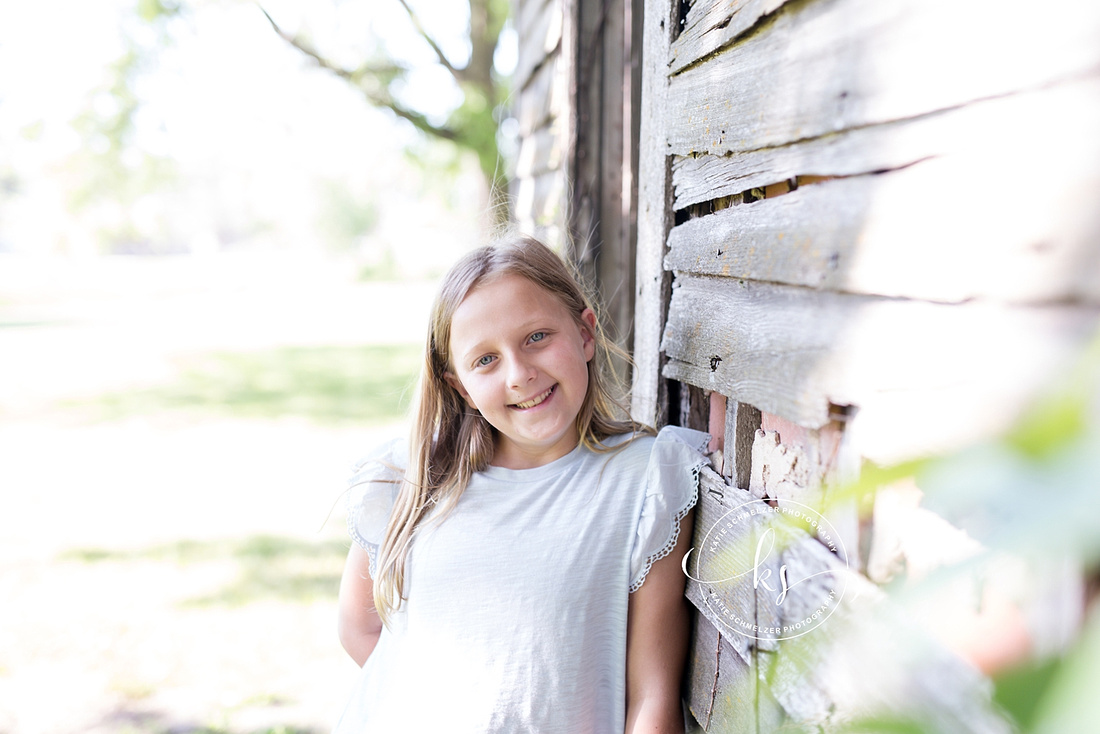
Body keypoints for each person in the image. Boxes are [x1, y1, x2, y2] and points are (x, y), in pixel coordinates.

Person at [333, 235, 709, 733]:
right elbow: (360, 628)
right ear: (460, 388)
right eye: (485, 359)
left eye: (536, 337)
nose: (519, 374)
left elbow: (651, 695)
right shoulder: (413, 474)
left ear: (585, 332)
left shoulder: (646, 481)